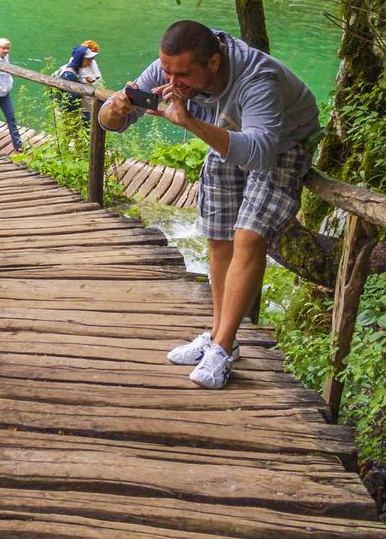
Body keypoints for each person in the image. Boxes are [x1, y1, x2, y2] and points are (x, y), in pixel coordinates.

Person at [99, 20, 320, 390]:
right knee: (218, 238)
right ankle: (223, 340)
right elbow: (109, 121)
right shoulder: (172, 66)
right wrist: (117, 109)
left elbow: (260, 153)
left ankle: (220, 347)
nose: (172, 80)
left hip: (281, 145)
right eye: (167, 70)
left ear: (213, 63)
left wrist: (189, 123)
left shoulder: (257, 78)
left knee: (248, 237)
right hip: (229, 133)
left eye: (182, 75)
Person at [56, 44, 94, 126]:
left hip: (74, 111)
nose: (90, 62)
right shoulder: (69, 75)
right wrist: (85, 87)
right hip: (70, 113)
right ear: (80, 59)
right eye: (88, 60)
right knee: (72, 136)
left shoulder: (76, 71)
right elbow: (70, 98)